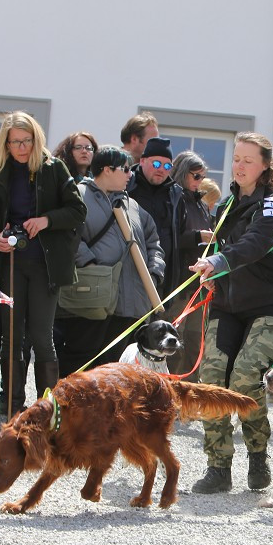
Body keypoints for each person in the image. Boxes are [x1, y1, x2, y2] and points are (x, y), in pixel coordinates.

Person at [188, 132, 273, 494]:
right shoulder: (226, 206)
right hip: (228, 305)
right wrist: (209, 268)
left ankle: (258, 454)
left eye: (248, 160)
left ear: (265, 167)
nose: (239, 165)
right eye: (236, 158)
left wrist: (219, 259)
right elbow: (222, 246)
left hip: (270, 306)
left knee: (246, 376)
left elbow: (256, 243)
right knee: (212, 378)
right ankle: (218, 466)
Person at [0, 111, 86, 414]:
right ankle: (11, 406)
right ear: (6, 144)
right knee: (11, 337)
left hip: (45, 265)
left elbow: (78, 211)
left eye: (26, 141)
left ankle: (47, 406)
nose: (22, 148)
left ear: (36, 139)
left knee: (42, 335)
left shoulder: (54, 168)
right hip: (11, 263)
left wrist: (46, 220)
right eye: (15, 142)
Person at [56, 146, 165, 375]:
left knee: (119, 368)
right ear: (106, 169)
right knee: (81, 362)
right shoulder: (78, 196)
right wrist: (89, 264)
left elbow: (154, 242)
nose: (130, 174)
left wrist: (154, 273)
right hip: (91, 298)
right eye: (125, 169)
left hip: (131, 304)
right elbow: (66, 236)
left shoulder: (133, 206)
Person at [166, 149, 213, 378]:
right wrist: (199, 236)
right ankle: (172, 390)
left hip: (200, 283)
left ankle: (191, 393)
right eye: (196, 176)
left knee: (195, 340)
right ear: (183, 173)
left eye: (202, 177)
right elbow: (172, 238)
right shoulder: (174, 199)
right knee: (175, 339)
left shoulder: (201, 203)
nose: (199, 181)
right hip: (180, 283)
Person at [127, 137, 186, 296]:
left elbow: (178, 235)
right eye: (156, 164)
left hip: (160, 279)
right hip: (127, 275)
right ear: (142, 161)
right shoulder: (126, 187)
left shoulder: (175, 195)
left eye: (167, 165)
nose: (161, 169)